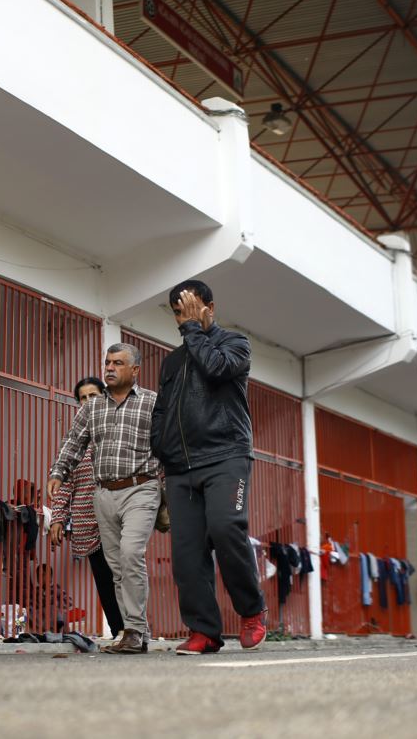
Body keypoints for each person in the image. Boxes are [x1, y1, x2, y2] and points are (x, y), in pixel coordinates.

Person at [151, 280, 267, 655]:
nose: (183, 317)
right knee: (186, 553)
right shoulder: (172, 361)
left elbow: (217, 369)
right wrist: (161, 448)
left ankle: (251, 611)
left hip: (225, 455)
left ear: (210, 308)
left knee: (225, 527)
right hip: (181, 467)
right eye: (178, 312)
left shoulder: (235, 344)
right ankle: (205, 631)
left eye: (190, 308)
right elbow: (164, 410)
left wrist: (193, 331)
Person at [47, 344, 160, 655]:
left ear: (135, 370)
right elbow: (73, 442)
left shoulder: (152, 403)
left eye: (118, 363)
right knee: (115, 567)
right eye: (107, 362)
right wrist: (58, 472)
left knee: (130, 553)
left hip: (141, 488)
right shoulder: (91, 409)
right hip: (103, 493)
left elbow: (169, 446)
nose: (109, 368)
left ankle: (134, 630)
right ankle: (135, 632)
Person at [48, 376, 125, 639]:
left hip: (118, 517)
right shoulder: (72, 442)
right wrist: (58, 517)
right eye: (83, 398)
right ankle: (119, 633)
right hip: (87, 521)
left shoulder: (116, 429)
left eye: (93, 396)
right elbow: (64, 484)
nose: (88, 402)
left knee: (126, 576)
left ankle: (136, 630)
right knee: (104, 581)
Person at [31, 563, 73, 633]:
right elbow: (31, 606)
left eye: (43, 575)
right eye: (38, 575)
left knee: (53, 609)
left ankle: (58, 629)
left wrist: (55, 605)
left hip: (54, 618)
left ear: (50, 578)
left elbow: (69, 601)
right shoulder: (35, 591)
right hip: (41, 618)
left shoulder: (56, 588)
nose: (40, 577)